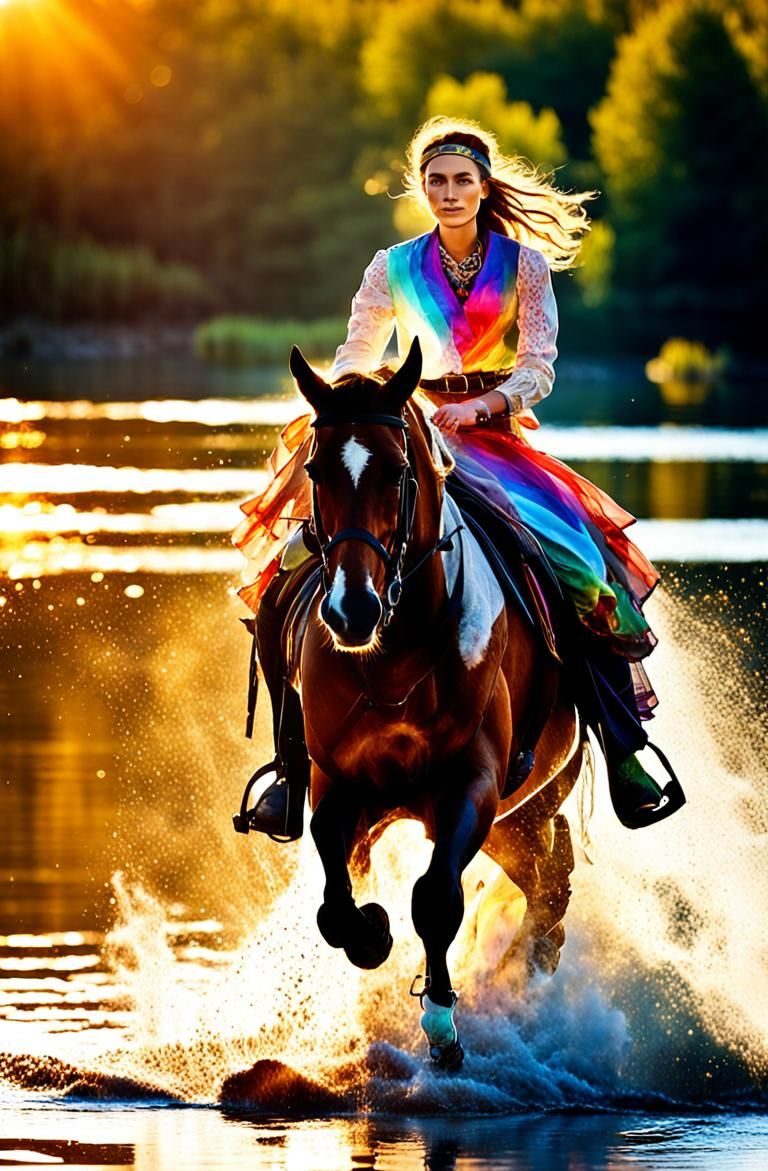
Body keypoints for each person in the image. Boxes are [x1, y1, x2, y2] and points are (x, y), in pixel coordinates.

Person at [232, 115, 683, 840]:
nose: (449, 192)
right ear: (421, 187)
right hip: (404, 433)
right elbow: (355, 350)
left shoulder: (524, 268)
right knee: (285, 571)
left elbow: (539, 365)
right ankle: (290, 772)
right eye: (436, 180)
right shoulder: (391, 266)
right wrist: (359, 402)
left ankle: (624, 749)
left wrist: (485, 403)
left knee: (586, 573)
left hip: (495, 440)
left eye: (461, 180)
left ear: (482, 186)